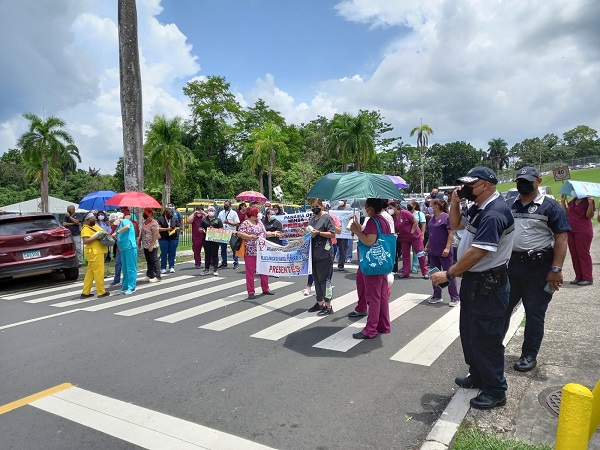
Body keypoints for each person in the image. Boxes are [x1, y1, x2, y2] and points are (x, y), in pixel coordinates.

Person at [430, 166, 514, 410]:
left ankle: (496, 389)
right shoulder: (479, 207)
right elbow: (456, 225)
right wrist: (455, 202)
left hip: (489, 283)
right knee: (470, 333)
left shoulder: (494, 213)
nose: (464, 188)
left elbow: (478, 251)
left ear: (486, 185)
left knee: (487, 337)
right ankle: (478, 375)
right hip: (475, 282)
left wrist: (450, 273)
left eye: (470, 184)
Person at [503, 166, 570, 372]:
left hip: (539, 268)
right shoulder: (508, 205)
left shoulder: (550, 207)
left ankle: (529, 355)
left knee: (534, 313)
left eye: (528, 180)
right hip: (511, 266)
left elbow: (561, 238)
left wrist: (556, 269)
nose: (523, 183)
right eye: (520, 180)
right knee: (501, 309)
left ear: (538, 181)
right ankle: (494, 348)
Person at [349, 198, 394, 339]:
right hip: (382, 263)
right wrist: (359, 228)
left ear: (370, 207)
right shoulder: (384, 220)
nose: (364, 209)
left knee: (373, 297)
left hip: (372, 264)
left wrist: (356, 231)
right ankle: (383, 325)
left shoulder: (373, 221)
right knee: (382, 296)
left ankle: (371, 329)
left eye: (366, 206)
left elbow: (369, 240)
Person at [236, 206, 280, 299]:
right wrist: (250, 237)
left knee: (264, 271)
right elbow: (239, 233)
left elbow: (264, 233)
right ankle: (251, 291)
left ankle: (265, 288)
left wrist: (274, 233)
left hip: (262, 250)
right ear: (252, 215)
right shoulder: (246, 223)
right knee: (250, 272)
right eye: (256, 213)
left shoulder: (260, 222)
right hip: (250, 251)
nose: (258, 215)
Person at [426, 199, 460, 306]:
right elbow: (431, 234)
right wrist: (426, 246)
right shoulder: (432, 219)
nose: (429, 207)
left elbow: (451, 233)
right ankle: (437, 295)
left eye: (431, 205)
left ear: (436, 206)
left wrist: (447, 247)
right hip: (433, 251)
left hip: (444, 251)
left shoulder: (446, 217)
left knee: (448, 273)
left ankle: (454, 297)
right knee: (434, 274)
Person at [306, 198, 336, 315]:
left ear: (322, 206)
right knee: (316, 279)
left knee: (324, 279)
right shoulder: (312, 219)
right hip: (313, 253)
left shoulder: (327, 218)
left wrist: (318, 233)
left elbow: (332, 233)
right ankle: (319, 303)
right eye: (312, 207)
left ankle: (328, 306)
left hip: (325, 252)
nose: (314, 209)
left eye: (316, 206)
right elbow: (309, 233)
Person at [561, 191, 595, 286]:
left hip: (583, 231)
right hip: (571, 230)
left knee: (583, 254)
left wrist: (590, 203)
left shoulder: (587, 201)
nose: (574, 192)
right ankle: (579, 276)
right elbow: (566, 213)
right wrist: (563, 202)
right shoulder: (573, 201)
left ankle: (587, 277)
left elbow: (589, 216)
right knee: (574, 254)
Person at [394, 202, 428, 279]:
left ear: (395, 207)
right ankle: (405, 272)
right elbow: (395, 227)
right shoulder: (392, 216)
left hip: (415, 236)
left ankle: (425, 272)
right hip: (403, 237)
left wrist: (412, 231)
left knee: (420, 254)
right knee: (405, 255)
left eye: (390, 208)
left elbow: (415, 221)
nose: (389, 209)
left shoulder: (405, 212)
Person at [80, 212, 109, 299]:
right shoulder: (85, 228)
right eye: (92, 219)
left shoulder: (94, 226)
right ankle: (101, 292)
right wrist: (96, 236)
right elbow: (86, 241)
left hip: (96, 252)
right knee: (99, 272)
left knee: (90, 273)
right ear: (87, 220)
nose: (95, 219)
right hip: (94, 252)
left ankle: (85, 292)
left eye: (94, 218)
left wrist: (103, 233)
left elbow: (104, 231)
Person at [111, 209, 138, 295]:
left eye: (112, 221)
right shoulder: (119, 226)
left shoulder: (125, 221)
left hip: (130, 247)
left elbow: (127, 227)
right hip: (123, 248)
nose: (112, 223)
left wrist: (117, 233)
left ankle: (131, 287)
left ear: (116, 218)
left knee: (131, 267)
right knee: (125, 268)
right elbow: (119, 237)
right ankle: (125, 286)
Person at [139, 208, 161, 283]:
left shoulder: (154, 223)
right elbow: (142, 233)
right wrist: (139, 241)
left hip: (152, 245)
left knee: (154, 260)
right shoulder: (145, 223)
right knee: (148, 260)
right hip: (145, 245)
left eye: (145, 213)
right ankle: (150, 274)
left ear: (150, 214)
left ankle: (157, 276)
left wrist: (151, 245)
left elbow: (155, 234)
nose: (144, 215)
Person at [200, 206, 222, 276]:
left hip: (215, 239)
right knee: (207, 254)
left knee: (215, 254)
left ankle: (215, 268)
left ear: (215, 212)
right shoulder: (204, 220)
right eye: (210, 210)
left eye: (212, 210)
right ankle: (207, 269)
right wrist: (203, 230)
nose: (211, 211)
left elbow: (221, 229)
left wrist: (214, 229)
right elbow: (200, 228)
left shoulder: (218, 220)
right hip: (206, 239)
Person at [157, 208, 181, 273]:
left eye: (171, 214)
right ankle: (163, 268)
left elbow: (179, 227)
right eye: (168, 214)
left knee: (172, 252)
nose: (170, 216)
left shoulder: (174, 219)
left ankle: (172, 267)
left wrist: (175, 228)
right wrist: (167, 229)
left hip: (173, 237)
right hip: (163, 238)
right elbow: (158, 228)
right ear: (165, 214)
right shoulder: (160, 219)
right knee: (164, 252)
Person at [217, 200, 240, 269]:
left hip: (231, 232)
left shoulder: (234, 213)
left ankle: (236, 262)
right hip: (223, 232)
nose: (225, 206)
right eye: (224, 205)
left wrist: (228, 223)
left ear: (230, 205)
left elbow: (237, 223)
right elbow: (218, 221)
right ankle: (224, 263)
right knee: (223, 248)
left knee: (234, 248)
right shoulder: (221, 213)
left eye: (227, 205)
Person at [409, 200, 427, 273]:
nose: (408, 207)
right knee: (407, 252)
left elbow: (423, 224)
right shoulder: (407, 213)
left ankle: (415, 266)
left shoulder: (419, 213)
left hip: (417, 235)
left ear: (414, 206)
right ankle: (408, 267)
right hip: (408, 235)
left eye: (409, 205)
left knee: (417, 251)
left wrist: (422, 234)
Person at [334, 199, 351, 271]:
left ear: (346, 200)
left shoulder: (349, 208)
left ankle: (341, 264)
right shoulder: (336, 208)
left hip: (344, 232)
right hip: (337, 231)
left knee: (342, 248)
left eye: (343, 200)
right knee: (333, 247)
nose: (341, 201)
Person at [109, 213, 123, 287]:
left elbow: (112, 234)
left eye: (111, 222)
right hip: (120, 247)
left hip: (123, 247)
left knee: (119, 264)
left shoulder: (117, 224)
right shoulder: (118, 224)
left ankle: (118, 280)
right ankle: (118, 280)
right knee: (119, 263)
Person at [234, 203, 248, 269]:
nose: (245, 207)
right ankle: (236, 261)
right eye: (244, 206)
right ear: (241, 206)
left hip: (245, 229)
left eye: (246, 206)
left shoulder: (247, 213)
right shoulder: (237, 212)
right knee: (236, 245)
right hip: (238, 229)